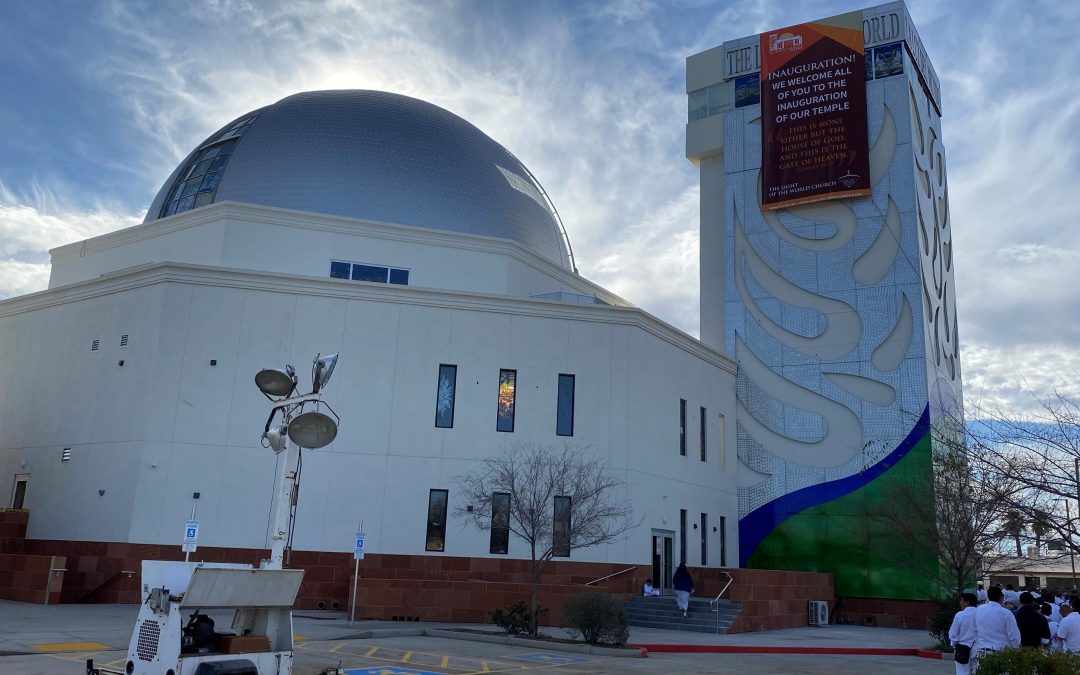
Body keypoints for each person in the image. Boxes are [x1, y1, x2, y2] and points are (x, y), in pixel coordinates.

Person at [971, 586, 1020, 672]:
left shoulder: (979, 609)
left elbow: (974, 630)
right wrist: (1016, 649)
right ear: (1001, 598)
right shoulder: (1006, 613)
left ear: (988, 596)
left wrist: (979, 643)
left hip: (982, 651)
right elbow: (1014, 636)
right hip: (1001, 653)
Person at [948, 593, 978, 675]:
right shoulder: (980, 614)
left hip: (962, 648)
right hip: (977, 648)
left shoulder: (960, 615)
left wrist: (955, 644)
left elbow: (952, 634)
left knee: (962, 672)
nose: (960, 602)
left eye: (961, 600)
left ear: (967, 602)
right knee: (976, 671)